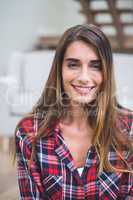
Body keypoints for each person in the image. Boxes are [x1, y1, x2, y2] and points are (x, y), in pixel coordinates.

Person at [15, 24, 133, 199]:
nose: (84, 77)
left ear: (107, 71)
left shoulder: (128, 129)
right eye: (73, 65)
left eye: (95, 66)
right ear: (60, 69)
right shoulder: (29, 133)